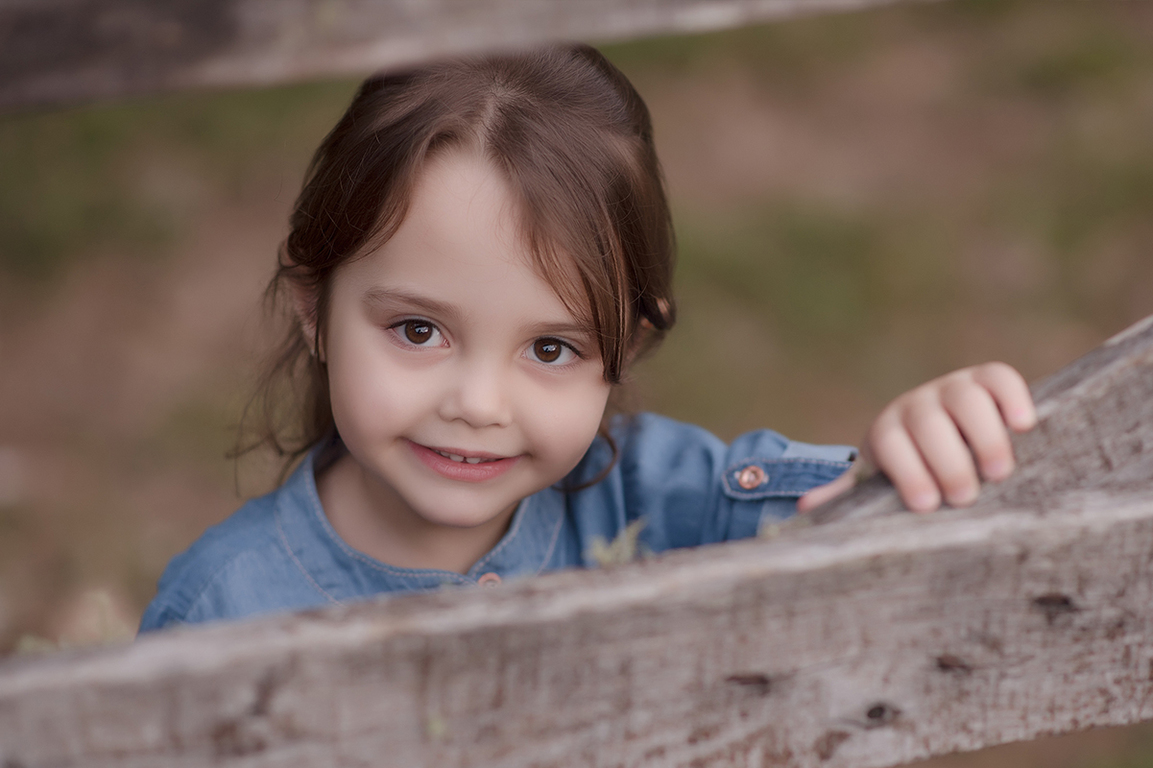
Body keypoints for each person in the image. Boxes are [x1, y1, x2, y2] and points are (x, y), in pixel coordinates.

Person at [139, 45, 1035, 632]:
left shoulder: (671, 508)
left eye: (552, 349)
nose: (478, 404)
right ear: (313, 309)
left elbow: (854, 531)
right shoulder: (225, 610)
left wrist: (910, 454)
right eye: (418, 330)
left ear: (628, 346)